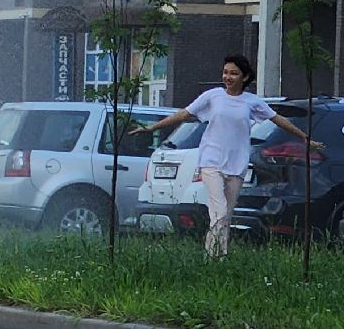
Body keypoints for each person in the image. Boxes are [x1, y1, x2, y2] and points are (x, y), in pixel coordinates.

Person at [130, 53, 322, 258]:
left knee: (225, 215)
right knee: (219, 209)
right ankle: (213, 255)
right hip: (211, 161)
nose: (228, 77)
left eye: (234, 73)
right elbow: (184, 113)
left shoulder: (252, 102)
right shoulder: (213, 96)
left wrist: (304, 138)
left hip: (237, 163)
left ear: (245, 77)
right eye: (225, 72)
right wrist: (153, 128)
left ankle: (217, 257)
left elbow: (278, 120)